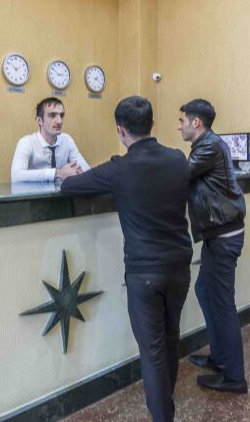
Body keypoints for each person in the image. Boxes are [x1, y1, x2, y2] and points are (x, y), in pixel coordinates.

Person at [61, 96, 193, 422]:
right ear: (152, 124)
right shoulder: (178, 159)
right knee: (170, 337)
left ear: (120, 130)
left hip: (144, 272)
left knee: (152, 350)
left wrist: (64, 173)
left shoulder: (118, 169)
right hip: (179, 266)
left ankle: (163, 416)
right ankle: (166, 405)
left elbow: (70, 187)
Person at [178, 99, 248, 394]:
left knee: (222, 304)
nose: (179, 126)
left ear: (196, 123)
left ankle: (234, 377)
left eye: (182, 121)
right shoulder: (206, 145)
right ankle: (219, 357)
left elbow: (179, 174)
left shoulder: (209, 146)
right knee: (204, 291)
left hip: (224, 235)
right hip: (217, 234)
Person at [11, 97, 91, 182]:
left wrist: (78, 171)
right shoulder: (27, 142)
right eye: (52, 115)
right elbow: (16, 176)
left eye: (61, 115)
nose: (59, 121)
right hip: (35, 191)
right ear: (39, 120)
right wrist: (58, 173)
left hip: (62, 190)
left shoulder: (67, 140)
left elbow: (87, 171)